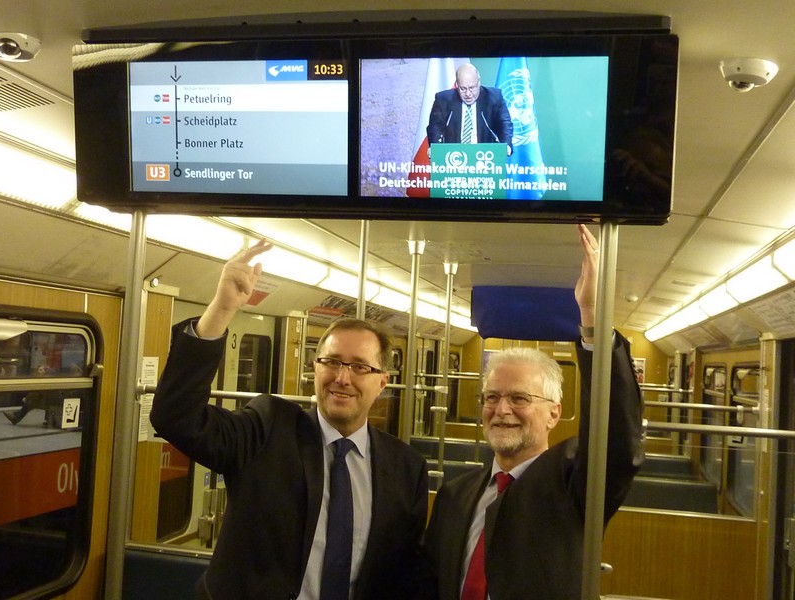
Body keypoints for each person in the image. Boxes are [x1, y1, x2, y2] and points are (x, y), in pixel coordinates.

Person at [150, 240, 428, 600]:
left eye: (360, 367)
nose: (342, 378)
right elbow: (176, 417)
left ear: (383, 381)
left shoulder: (406, 469)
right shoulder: (268, 428)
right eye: (332, 362)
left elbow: (406, 574)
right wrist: (221, 309)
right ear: (315, 367)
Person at [421, 224, 644, 600]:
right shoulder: (454, 495)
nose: (501, 409)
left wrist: (591, 316)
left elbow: (618, 438)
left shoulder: (575, 483)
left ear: (554, 413)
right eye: (491, 397)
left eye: (520, 399)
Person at [426, 63, 514, 156]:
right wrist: (434, 147)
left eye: (472, 88)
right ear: (456, 85)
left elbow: (505, 123)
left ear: (479, 82)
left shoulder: (494, 97)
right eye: (463, 88)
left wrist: (506, 144)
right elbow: (435, 127)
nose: (468, 94)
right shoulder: (443, 99)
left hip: (485, 156)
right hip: (453, 157)